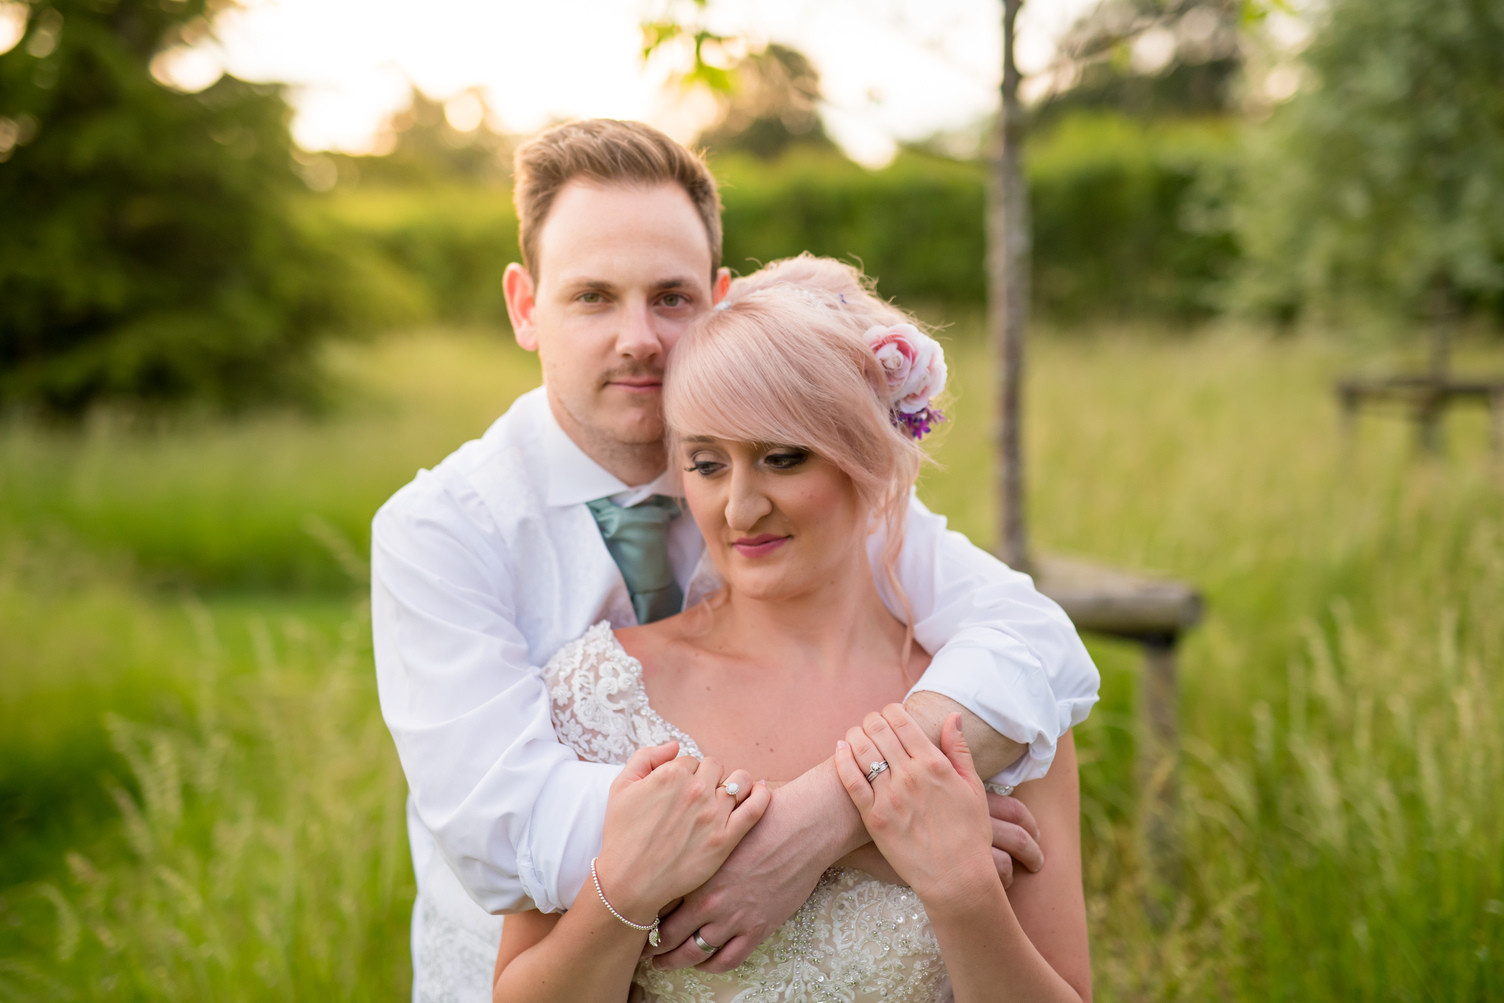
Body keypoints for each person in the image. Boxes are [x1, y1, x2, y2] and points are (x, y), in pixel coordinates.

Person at [371, 119, 1098, 1001]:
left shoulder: (803, 481)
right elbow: (510, 836)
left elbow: (1035, 643)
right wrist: (882, 832)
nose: (639, 337)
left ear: (716, 298)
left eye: (670, 298)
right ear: (526, 306)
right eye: (593, 296)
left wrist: (834, 816)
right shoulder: (442, 530)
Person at [490, 255, 1091, 1002]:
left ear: (867, 457)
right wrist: (626, 890)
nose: (740, 509)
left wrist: (964, 891)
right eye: (708, 464)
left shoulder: (999, 713)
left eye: (782, 458)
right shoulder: (599, 692)